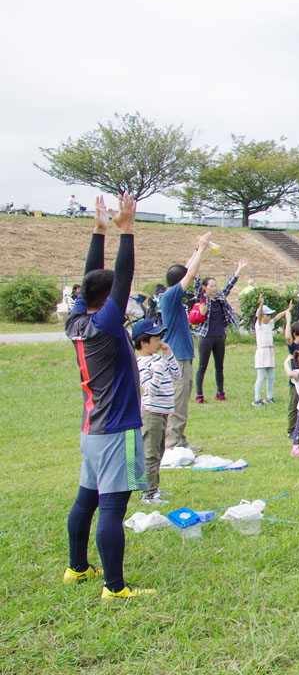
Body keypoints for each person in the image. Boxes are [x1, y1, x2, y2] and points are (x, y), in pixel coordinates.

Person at [63, 193, 156, 599]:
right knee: (113, 509)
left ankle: (77, 568)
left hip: (91, 431)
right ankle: (114, 588)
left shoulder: (78, 321)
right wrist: (127, 232)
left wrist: (99, 231)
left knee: (86, 501)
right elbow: (120, 277)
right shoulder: (104, 323)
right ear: (112, 302)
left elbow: (92, 279)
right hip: (118, 431)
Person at [160, 232, 213, 451]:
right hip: (177, 358)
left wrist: (198, 247)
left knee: (181, 402)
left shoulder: (170, 295)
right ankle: (173, 443)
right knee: (177, 402)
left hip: (182, 356)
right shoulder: (170, 296)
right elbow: (189, 274)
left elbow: (185, 269)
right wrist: (201, 250)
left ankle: (179, 440)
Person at [132, 318, 178, 507]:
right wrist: (159, 368)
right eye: (156, 339)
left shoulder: (158, 359)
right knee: (150, 453)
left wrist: (168, 356)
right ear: (143, 343)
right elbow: (150, 389)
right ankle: (148, 493)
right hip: (151, 413)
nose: (160, 342)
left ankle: (155, 488)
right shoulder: (142, 363)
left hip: (163, 411)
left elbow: (176, 374)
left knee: (159, 451)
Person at [192, 258, 247, 403]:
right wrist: (196, 269)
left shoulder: (220, 297)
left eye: (215, 285)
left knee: (219, 366)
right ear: (205, 288)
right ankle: (199, 394)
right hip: (206, 336)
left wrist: (239, 269)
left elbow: (229, 285)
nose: (214, 288)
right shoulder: (202, 298)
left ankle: (220, 392)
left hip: (219, 336)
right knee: (202, 366)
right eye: (211, 286)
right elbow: (196, 285)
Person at [253, 296, 290, 405]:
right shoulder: (258, 325)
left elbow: (277, 317)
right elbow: (259, 315)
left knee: (271, 377)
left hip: (270, 351)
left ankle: (270, 397)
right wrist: (261, 303)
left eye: (270, 315)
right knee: (261, 377)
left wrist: (287, 310)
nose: (269, 317)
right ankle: (257, 399)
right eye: (267, 315)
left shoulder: (269, 324)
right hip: (262, 352)